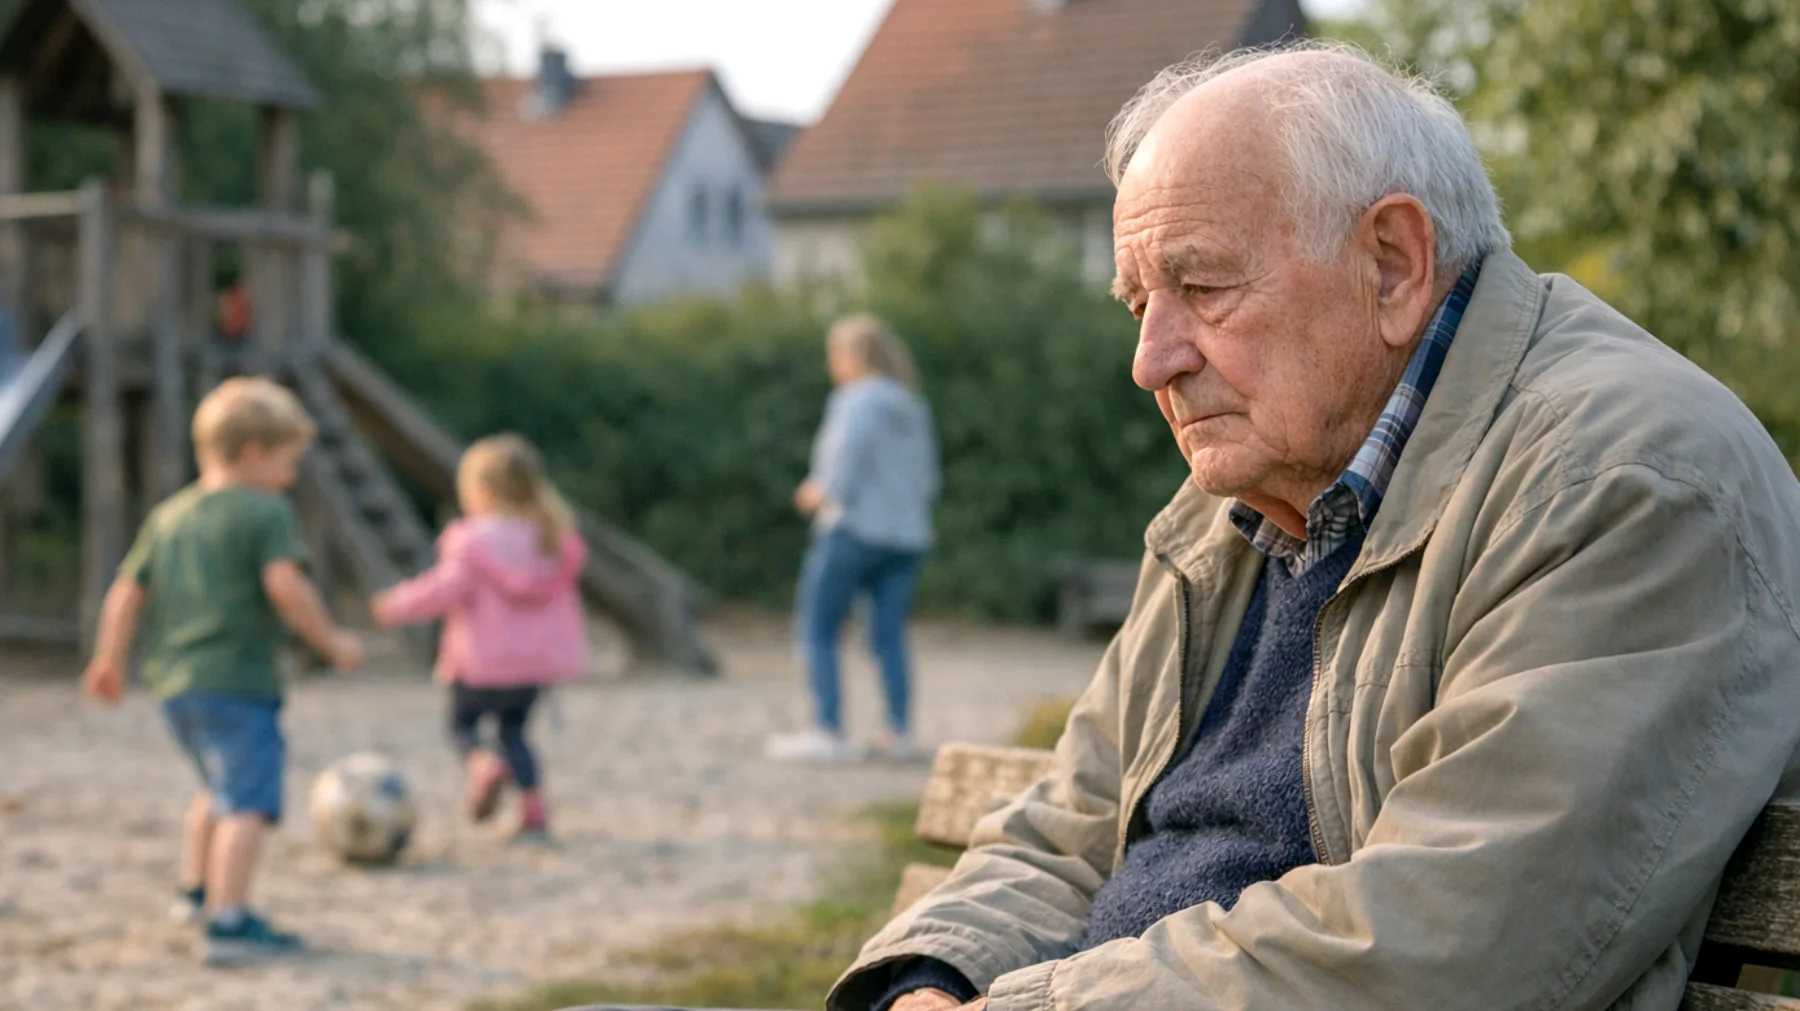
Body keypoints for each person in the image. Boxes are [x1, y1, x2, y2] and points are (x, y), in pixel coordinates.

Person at [830, 43, 1800, 1011]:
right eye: (1138, 304)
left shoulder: (1627, 481)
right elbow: (1068, 824)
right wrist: (931, 980)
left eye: (1203, 288)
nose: (1150, 360)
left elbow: (1449, 943)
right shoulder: (1239, 502)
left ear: (1394, 265)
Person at [79, 377, 365, 966]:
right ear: (253, 453)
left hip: (174, 686)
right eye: (288, 463)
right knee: (247, 802)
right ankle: (230, 921)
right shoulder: (265, 512)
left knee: (215, 789)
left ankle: (196, 892)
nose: (290, 478)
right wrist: (332, 641)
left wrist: (109, 660)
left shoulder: (169, 515)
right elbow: (285, 586)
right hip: (237, 681)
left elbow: (126, 593)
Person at [373, 434, 588, 841]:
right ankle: (533, 809)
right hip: (533, 667)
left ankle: (483, 765)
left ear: (482, 492)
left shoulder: (472, 540)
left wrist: (396, 604)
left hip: (481, 663)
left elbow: (443, 589)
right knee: (514, 734)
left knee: (462, 726)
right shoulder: (552, 538)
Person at [767, 314, 941, 765]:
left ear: (851, 356)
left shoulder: (855, 401)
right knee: (888, 636)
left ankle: (827, 729)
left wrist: (814, 493)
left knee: (817, 628)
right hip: (905, 536)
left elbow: (840, 469)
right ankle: (898, 732)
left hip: (853, 530)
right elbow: (928, 480)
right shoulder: (912, 405)